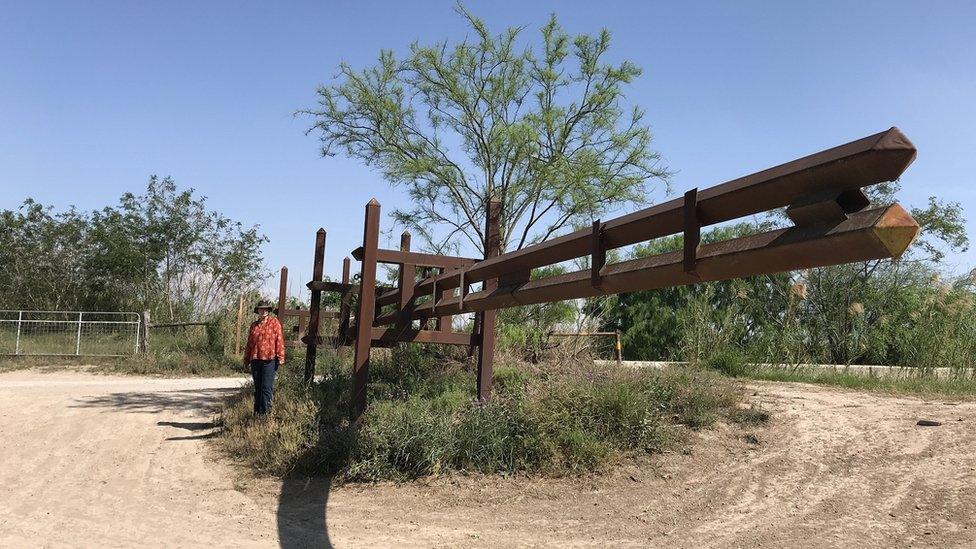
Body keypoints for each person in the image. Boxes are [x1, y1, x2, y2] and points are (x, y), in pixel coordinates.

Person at [243, 299, 285, 416]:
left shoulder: (274, 323)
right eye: (261, 309)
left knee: (266, 388)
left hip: (269, 360)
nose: (263, 311)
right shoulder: (254, 326)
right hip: (255, 360)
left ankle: (265, 414)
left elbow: (279, 339)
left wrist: (281, 356)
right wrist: (246, 359)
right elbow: (250, 343)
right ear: (258, 311)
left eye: (265, 309)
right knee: (258, 388)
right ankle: (257, 414)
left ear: (268, 311)